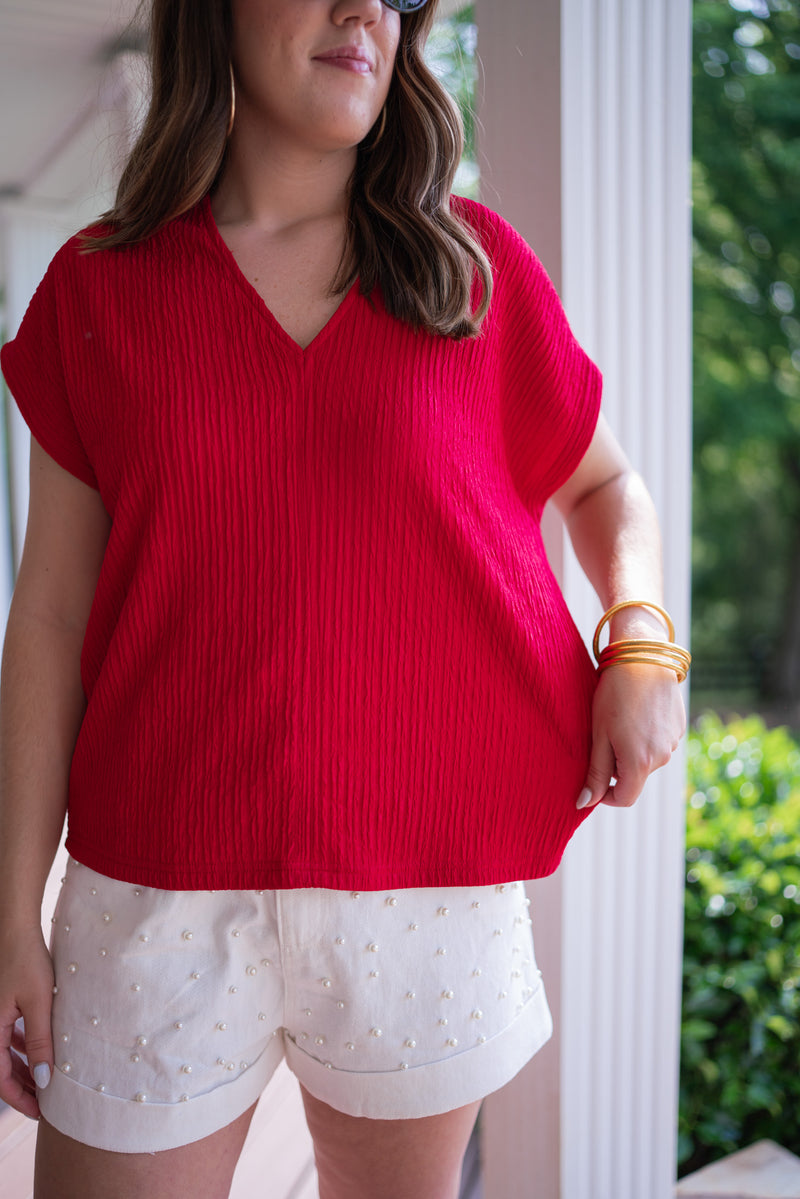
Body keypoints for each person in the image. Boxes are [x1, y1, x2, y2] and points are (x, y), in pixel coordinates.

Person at [0, 1, 688, 1196]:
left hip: (424, 895)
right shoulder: (95, 291)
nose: (365, 5)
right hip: (149, 895)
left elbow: (609, 486)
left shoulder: (469, 270)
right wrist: (12, 905)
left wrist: (638, 643)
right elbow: (50, 619)